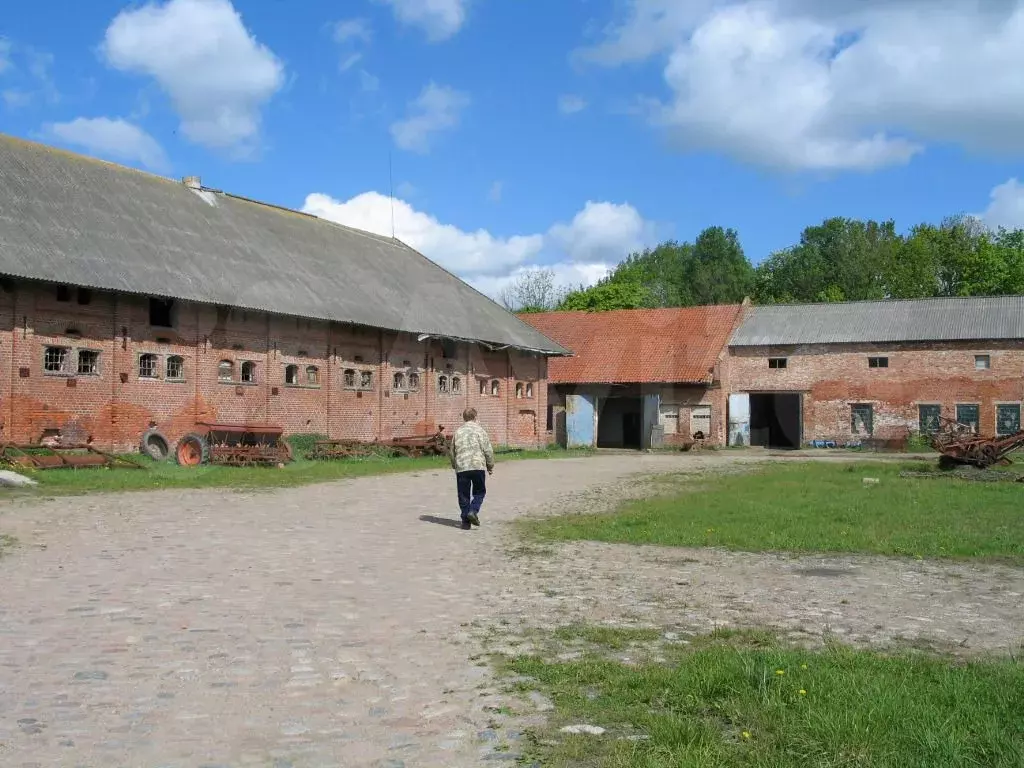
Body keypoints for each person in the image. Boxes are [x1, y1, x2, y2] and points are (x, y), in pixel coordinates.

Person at [449, 407, 495, 530]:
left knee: (463, 494)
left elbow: (452, 451)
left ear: (464, 418)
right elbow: (488, 450)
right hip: (477, 465)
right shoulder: (480, 431)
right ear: (475, 417)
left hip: (462, 467)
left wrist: (455, 465)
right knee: (480, 491)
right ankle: (473, 511)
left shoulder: (458, 432)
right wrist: (490, 466)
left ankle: (465, 521)